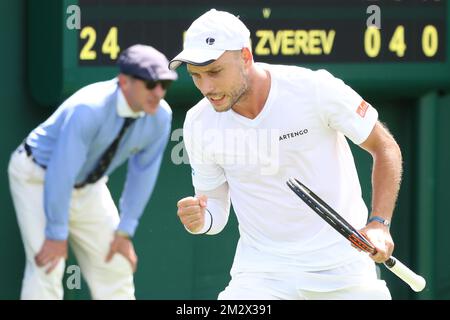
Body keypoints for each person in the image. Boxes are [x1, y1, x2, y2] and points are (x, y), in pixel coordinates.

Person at [171, 9, 403, 300]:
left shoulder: (314, 89)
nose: (206, 87)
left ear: (245, 56)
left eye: (215, 72)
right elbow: (214, 209)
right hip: (261, 276)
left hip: (343, 271)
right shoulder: (198, 122)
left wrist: (379, 224)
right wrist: (201, 220)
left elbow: (385, 147)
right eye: (196, 76)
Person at [8, 44, 177, 300]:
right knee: (48, 267)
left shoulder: (161, 118)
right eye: (150, 83)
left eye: (164, 85)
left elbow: (143, 174)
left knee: (116, 265)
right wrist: (56, 233)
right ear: (124, 81)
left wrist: (125, 231)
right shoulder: (88, 109)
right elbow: (60, 171)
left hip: (87, 185)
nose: (158, 92)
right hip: (37, 176)